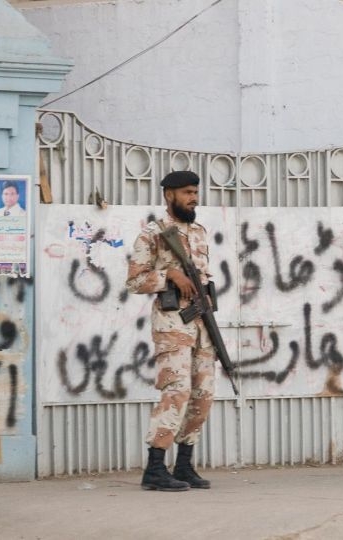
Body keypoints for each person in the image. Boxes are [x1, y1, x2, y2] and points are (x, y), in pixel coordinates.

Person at [126, 170, 215, 492]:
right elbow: (135, 281)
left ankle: (184, 465)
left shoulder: (200, 232)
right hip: (172, 325)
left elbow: (203, 277)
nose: (193, 198)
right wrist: (169, 276)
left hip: (202, 323)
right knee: (176, 391)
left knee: (203, 394)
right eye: (187, 192)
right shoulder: (153, 233)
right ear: (169, 195)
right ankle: (154, 467)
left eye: (195, 192)